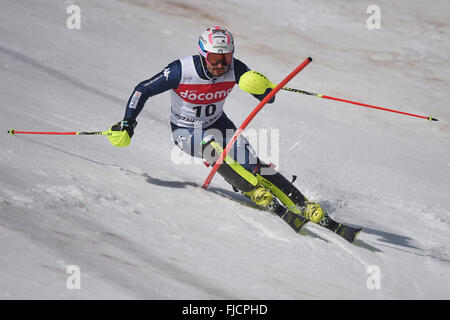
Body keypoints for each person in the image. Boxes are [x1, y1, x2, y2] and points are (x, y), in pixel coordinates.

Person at [110, 26, 328, 230]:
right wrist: (129, 121)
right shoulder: (181, 70)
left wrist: (264, 87)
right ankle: (252, 190)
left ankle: (302, 204)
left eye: (226, 59)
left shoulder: (236, 69)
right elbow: (142, 89)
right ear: (203, 55)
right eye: (214, 59)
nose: (220, 66)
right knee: (211, 148)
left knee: (254, 164)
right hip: (186, 131)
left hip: (219, 124)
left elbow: (266, 99)